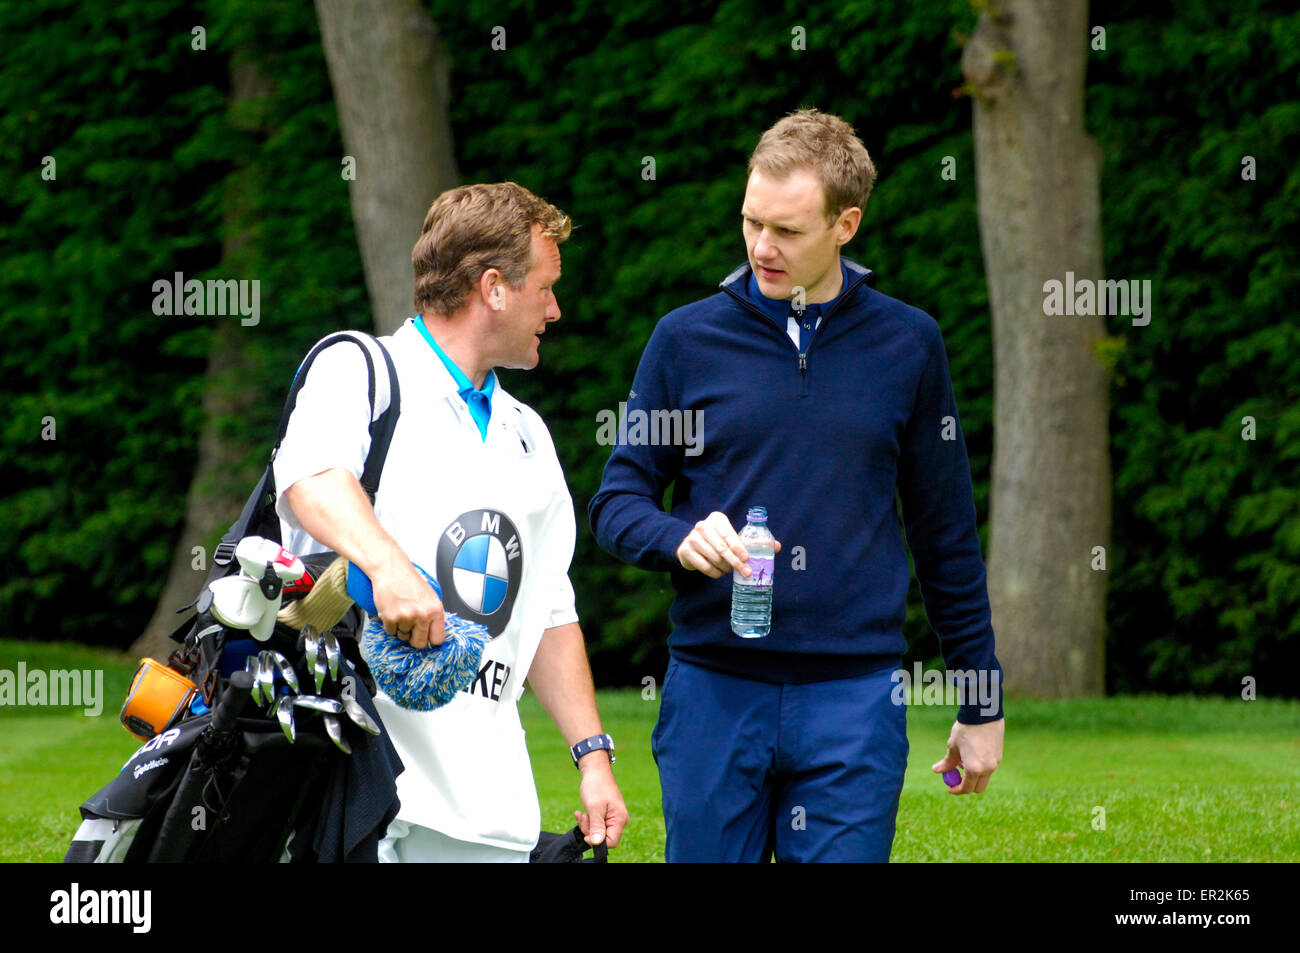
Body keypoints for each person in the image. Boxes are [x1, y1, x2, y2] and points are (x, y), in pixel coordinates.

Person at [588, 109, 1004, 862]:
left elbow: (946, 533)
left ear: (846, 224)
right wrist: (680, 537)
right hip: (714, 687)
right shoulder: (684, 340)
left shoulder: (909, 344)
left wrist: (980, 697)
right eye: (751, 222)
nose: (761, 247)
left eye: (787, 230)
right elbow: (617, 504)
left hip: (855, 698)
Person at [273, 182, 627, 862]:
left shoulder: (528, 433)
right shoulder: (364, 369)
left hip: (483, 801)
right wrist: (388, 565)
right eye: (545, 288)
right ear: (493, 287)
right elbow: (312, 477)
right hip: (346, 773)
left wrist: (593, 757)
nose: (554, 308)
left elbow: (549, 604)